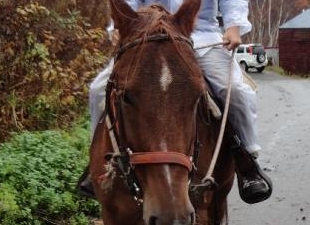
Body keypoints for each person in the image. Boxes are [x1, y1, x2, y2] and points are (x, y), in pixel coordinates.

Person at [80, 0, 272, 204]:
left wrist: (233, 27)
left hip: (201, 38)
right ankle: (99, 164)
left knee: (233, 91)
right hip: (148, 38)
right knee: (98, 90)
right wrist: (118, 27)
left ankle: (247, 163)